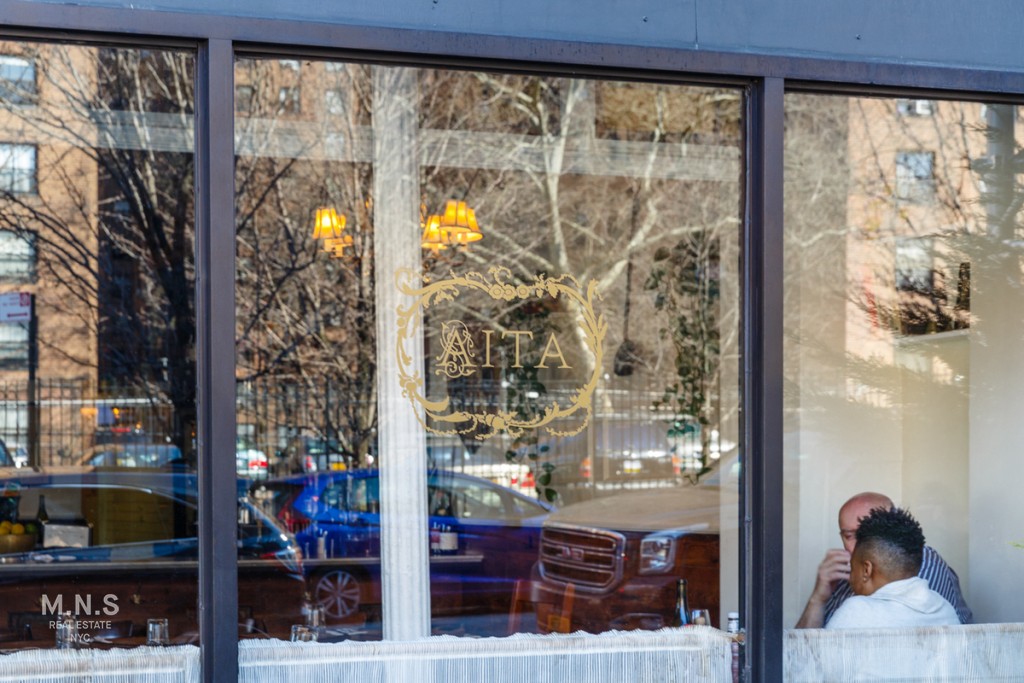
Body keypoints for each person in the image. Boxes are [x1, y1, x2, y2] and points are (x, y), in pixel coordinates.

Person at [796, 492, 971, 628]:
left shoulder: (918, 562)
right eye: (849, 536)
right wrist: (817, 599)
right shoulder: (845, 572)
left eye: (867, 534)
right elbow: (799, 653)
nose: (860, 546)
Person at [825, 506, 959, 629]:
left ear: (866, 570)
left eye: (853, 569)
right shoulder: (946, 610)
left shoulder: (855, 611)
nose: (850, 579)